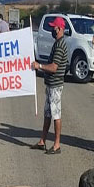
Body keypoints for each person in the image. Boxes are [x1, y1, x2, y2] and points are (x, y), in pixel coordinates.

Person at [30, 17, 68, 154]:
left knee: (56, 114)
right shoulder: (57, 43)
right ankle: (42, 141)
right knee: (47, 113)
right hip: (51, 84)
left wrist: (39, 66)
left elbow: (54, 67)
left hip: (55, 86)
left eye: (54, 27)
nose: (52, 29)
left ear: (59, 28)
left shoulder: (60, 45)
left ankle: (57, 144)